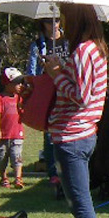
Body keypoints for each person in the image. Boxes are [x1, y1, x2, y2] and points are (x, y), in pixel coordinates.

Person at [43, 2, 108, 218]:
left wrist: (56, 75)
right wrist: (60, 69)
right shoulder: (95, 49)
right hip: (81, 133)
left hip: (72, 135)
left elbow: (80, 96)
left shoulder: (83, 51)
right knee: (79, 202)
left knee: (80, 204)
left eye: (65, 17)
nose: (62, 23)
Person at [27, 17, 65, 198]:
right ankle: (53, 174)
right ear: (43, 24)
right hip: (47, 90)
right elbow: (32, 71)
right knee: (49, 132)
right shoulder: (37, 45)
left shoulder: (68, 41)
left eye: (56, 20)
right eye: (49, 22)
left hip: (65, 88)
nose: (54, 24)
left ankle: (65, 172)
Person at [0, 67, 26, 189]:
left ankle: (18, 178)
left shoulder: (19, 98)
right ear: (8, 83)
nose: (20, 85)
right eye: (17, 83)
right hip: (3, 135)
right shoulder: (0, 98)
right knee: (1, 158)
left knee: (17, 157)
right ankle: (4, 178)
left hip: (17, 134)